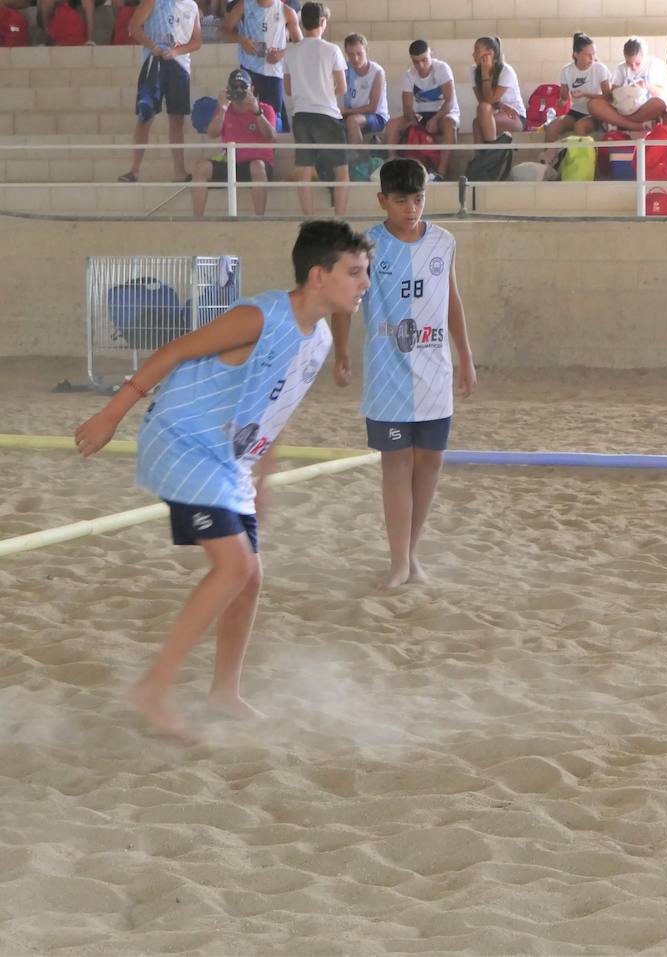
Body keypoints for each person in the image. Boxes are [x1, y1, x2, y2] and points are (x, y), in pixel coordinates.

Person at [73, 220, 373, 742]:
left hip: (229, 459)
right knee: (234, 567)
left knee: (250, 577)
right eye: (355, 271)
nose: (365, 282)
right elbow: (174, 352)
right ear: (318, 275)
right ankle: (153, 688)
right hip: (183, 440)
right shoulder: (260, 315)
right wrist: (111, 414)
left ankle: (224, 694)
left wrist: (264, 479)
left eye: (365, 272)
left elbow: (275, 408)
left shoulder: (320, 338)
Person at [329, 159, 476, 590]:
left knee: (430, 461)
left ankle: (411, 554)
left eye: (418, 199)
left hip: (434, 371)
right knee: (397, 462)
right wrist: (341, 351)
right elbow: (344, 303)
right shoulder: (366, 247)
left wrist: (466, 356)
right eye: (401, 200)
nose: (411, 208)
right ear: (382, 200)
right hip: (388, 375)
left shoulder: (444, 241)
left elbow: (451, 298)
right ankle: (397, 562)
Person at [119, 0, 201, 183]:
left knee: (177, 119)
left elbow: (196, 42)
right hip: (154, 62)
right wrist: (154, 47)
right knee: (145, 114)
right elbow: (134, 27)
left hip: (180, 66)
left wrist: (176, 51)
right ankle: (134, 170)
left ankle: (180, 172)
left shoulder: (192, 6)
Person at [283, 0, 347, 215]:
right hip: (327, 114)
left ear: (301, 23)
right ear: (323, 22)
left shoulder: (291, 51)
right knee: (342, 172)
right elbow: (342, 87)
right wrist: (324, 90)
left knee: (304, 172)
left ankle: (308, 220)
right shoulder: (332, 50)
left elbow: (288, 89)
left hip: (301, 116)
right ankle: (339, 219)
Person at [191, 68, 276, 216]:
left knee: (257, 166)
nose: (239, 91)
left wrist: (257, 111)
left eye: (243, 87)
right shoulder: (224, 110)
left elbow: (271, 137)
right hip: (231, 163)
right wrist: (222, 109)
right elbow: (212, 134)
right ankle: (197, 219)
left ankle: (260, 219)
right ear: (228, 89)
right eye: (234, 87)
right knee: (201, 167)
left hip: (258, 164)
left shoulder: (265, 109)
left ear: (252, 89)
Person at [219, 0, 302, 133]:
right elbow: (222, 31)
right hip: (247, 71)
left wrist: (281, 54)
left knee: (273, 120)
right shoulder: (244, 5)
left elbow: (300, 45)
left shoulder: (286, 11)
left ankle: (271, 146)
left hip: (273, 74)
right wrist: (242, 40)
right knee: (245, 114)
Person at [384, 39, 460, 180]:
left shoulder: (442, 69)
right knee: (392, 124)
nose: (421, 65)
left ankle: (440, 174)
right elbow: (407, 107)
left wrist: (436, 119)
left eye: (424, 60)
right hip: (421, 115)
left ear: (431, 55)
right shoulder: (409, 74)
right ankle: (392, 167)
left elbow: (450, 101)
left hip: (444, 113)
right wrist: (415, 123)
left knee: (450, 123)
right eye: (416, 62)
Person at [585, 36, 667, 132]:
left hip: (644, 109)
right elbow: (612, 94)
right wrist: (626, 90)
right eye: (629, 63)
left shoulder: (653, 65)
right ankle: (633, 125)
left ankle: (619, 123)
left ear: (644, 56)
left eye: (637, 63)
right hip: (622, 109)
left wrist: (646, 85)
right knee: (592, 104)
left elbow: (662, 93)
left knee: (660, 103)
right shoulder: (621, 68)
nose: (633, 67)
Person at [544, 31, 610, 141]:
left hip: (595, 113)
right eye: (588, 55)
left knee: (579, 126)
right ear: (576, 54)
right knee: (553, 126)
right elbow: (564, 98)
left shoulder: (600, 69)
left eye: (594, 54)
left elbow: (608, 97)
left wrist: (585, 94)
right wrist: (562, 101)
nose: (592, 58)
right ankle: (549, 152)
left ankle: (586, 153)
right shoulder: (566, 71)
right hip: (575, 112)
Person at [341, 32, 388, 168]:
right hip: (351, 113)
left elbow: (373, 107)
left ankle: (359, 163)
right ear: (346, 53)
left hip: (376, 116)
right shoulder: (344, 69)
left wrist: (345, 111)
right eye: (351, 54)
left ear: (366, 51)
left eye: (359, 53)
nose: (355, 58)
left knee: (352, 121)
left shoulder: (377, 72)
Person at [471, 35, 525, 146]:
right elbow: (483, 101)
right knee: (477, 120)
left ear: (490, 53)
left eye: (477, 50)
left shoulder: (506, 71)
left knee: (478, 122)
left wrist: (485, 73)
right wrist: (501, 105)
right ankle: (485, 155)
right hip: (493, 112)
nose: (473, 54)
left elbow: (489, 100)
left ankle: (491, 152)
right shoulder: (473, 71)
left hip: (515, 116)